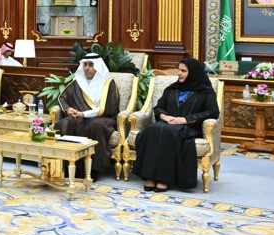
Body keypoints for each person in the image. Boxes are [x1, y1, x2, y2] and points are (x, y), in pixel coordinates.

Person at [132, 57, 219, 192]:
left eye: (183, 71)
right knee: (152, 129)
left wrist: (186, 119)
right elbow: (159, 107)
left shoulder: (205, 91)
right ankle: (150, 176)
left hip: (188, 127)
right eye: (179, 70)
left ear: (193, 72)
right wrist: (164, 116)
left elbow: (213, 112)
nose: (179, 73)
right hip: (167, 123)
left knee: (169, 132)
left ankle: (164, 179)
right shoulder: (172, 88)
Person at [54, 53, 120, 181]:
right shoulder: (78, 82)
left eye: (91, 65)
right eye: (85, 65)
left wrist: (83, 114)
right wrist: (68, 109)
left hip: (102, 118)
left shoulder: (108, 84)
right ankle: (69, 164)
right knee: (66, 123)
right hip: (80, 117)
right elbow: (63, 97)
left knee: (96, 126)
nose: (86, 68)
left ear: (98, 67)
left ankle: (93, 169)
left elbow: (109, 108)